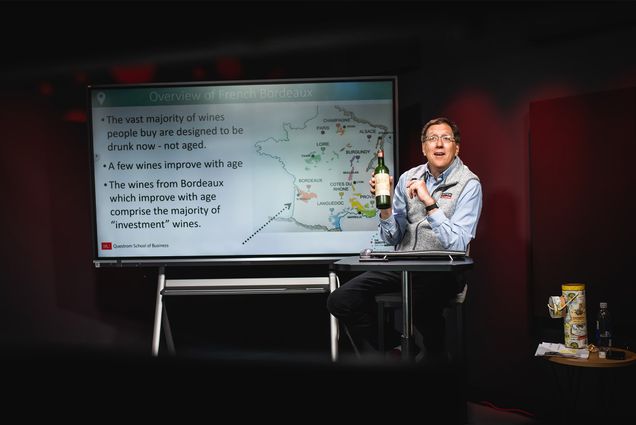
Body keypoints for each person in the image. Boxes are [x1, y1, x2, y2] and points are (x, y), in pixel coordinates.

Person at [327, 117, 482, 361]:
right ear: (424, 148)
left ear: (456, 147)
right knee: (341, 300)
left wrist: (429, 202)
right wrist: (385, 206)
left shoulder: (469, 184)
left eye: (446, 138)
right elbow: (393, 237)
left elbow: (458, 244)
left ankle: (435, 360)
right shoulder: (408, 177)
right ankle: (396, 347)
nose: (439, 144)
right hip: (403, 264)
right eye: (432, 139)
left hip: (444, 270)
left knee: (423, 303)